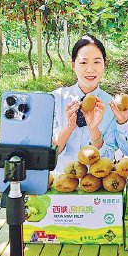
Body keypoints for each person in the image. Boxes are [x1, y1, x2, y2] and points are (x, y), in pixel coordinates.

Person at [52, 34, 116, 172]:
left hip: (96, 180)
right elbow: (48, 153)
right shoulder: (56, 99)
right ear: (73, 65)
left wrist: (94, 130)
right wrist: (69, 127)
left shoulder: (111, 105)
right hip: (61, 179)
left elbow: (109, 157)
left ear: (104, 65)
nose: (90, 69)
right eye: (83, 62)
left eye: (97, 62)